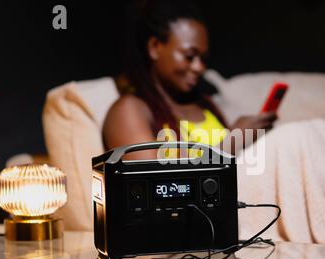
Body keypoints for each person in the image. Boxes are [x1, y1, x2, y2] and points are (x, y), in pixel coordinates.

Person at [103, 0, 277, 159]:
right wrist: (233, 141)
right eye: (189, 56)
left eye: (203, 59)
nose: (199, 67)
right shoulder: (129, 109)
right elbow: (154, 187)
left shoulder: (205, 105)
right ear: (155, 47)